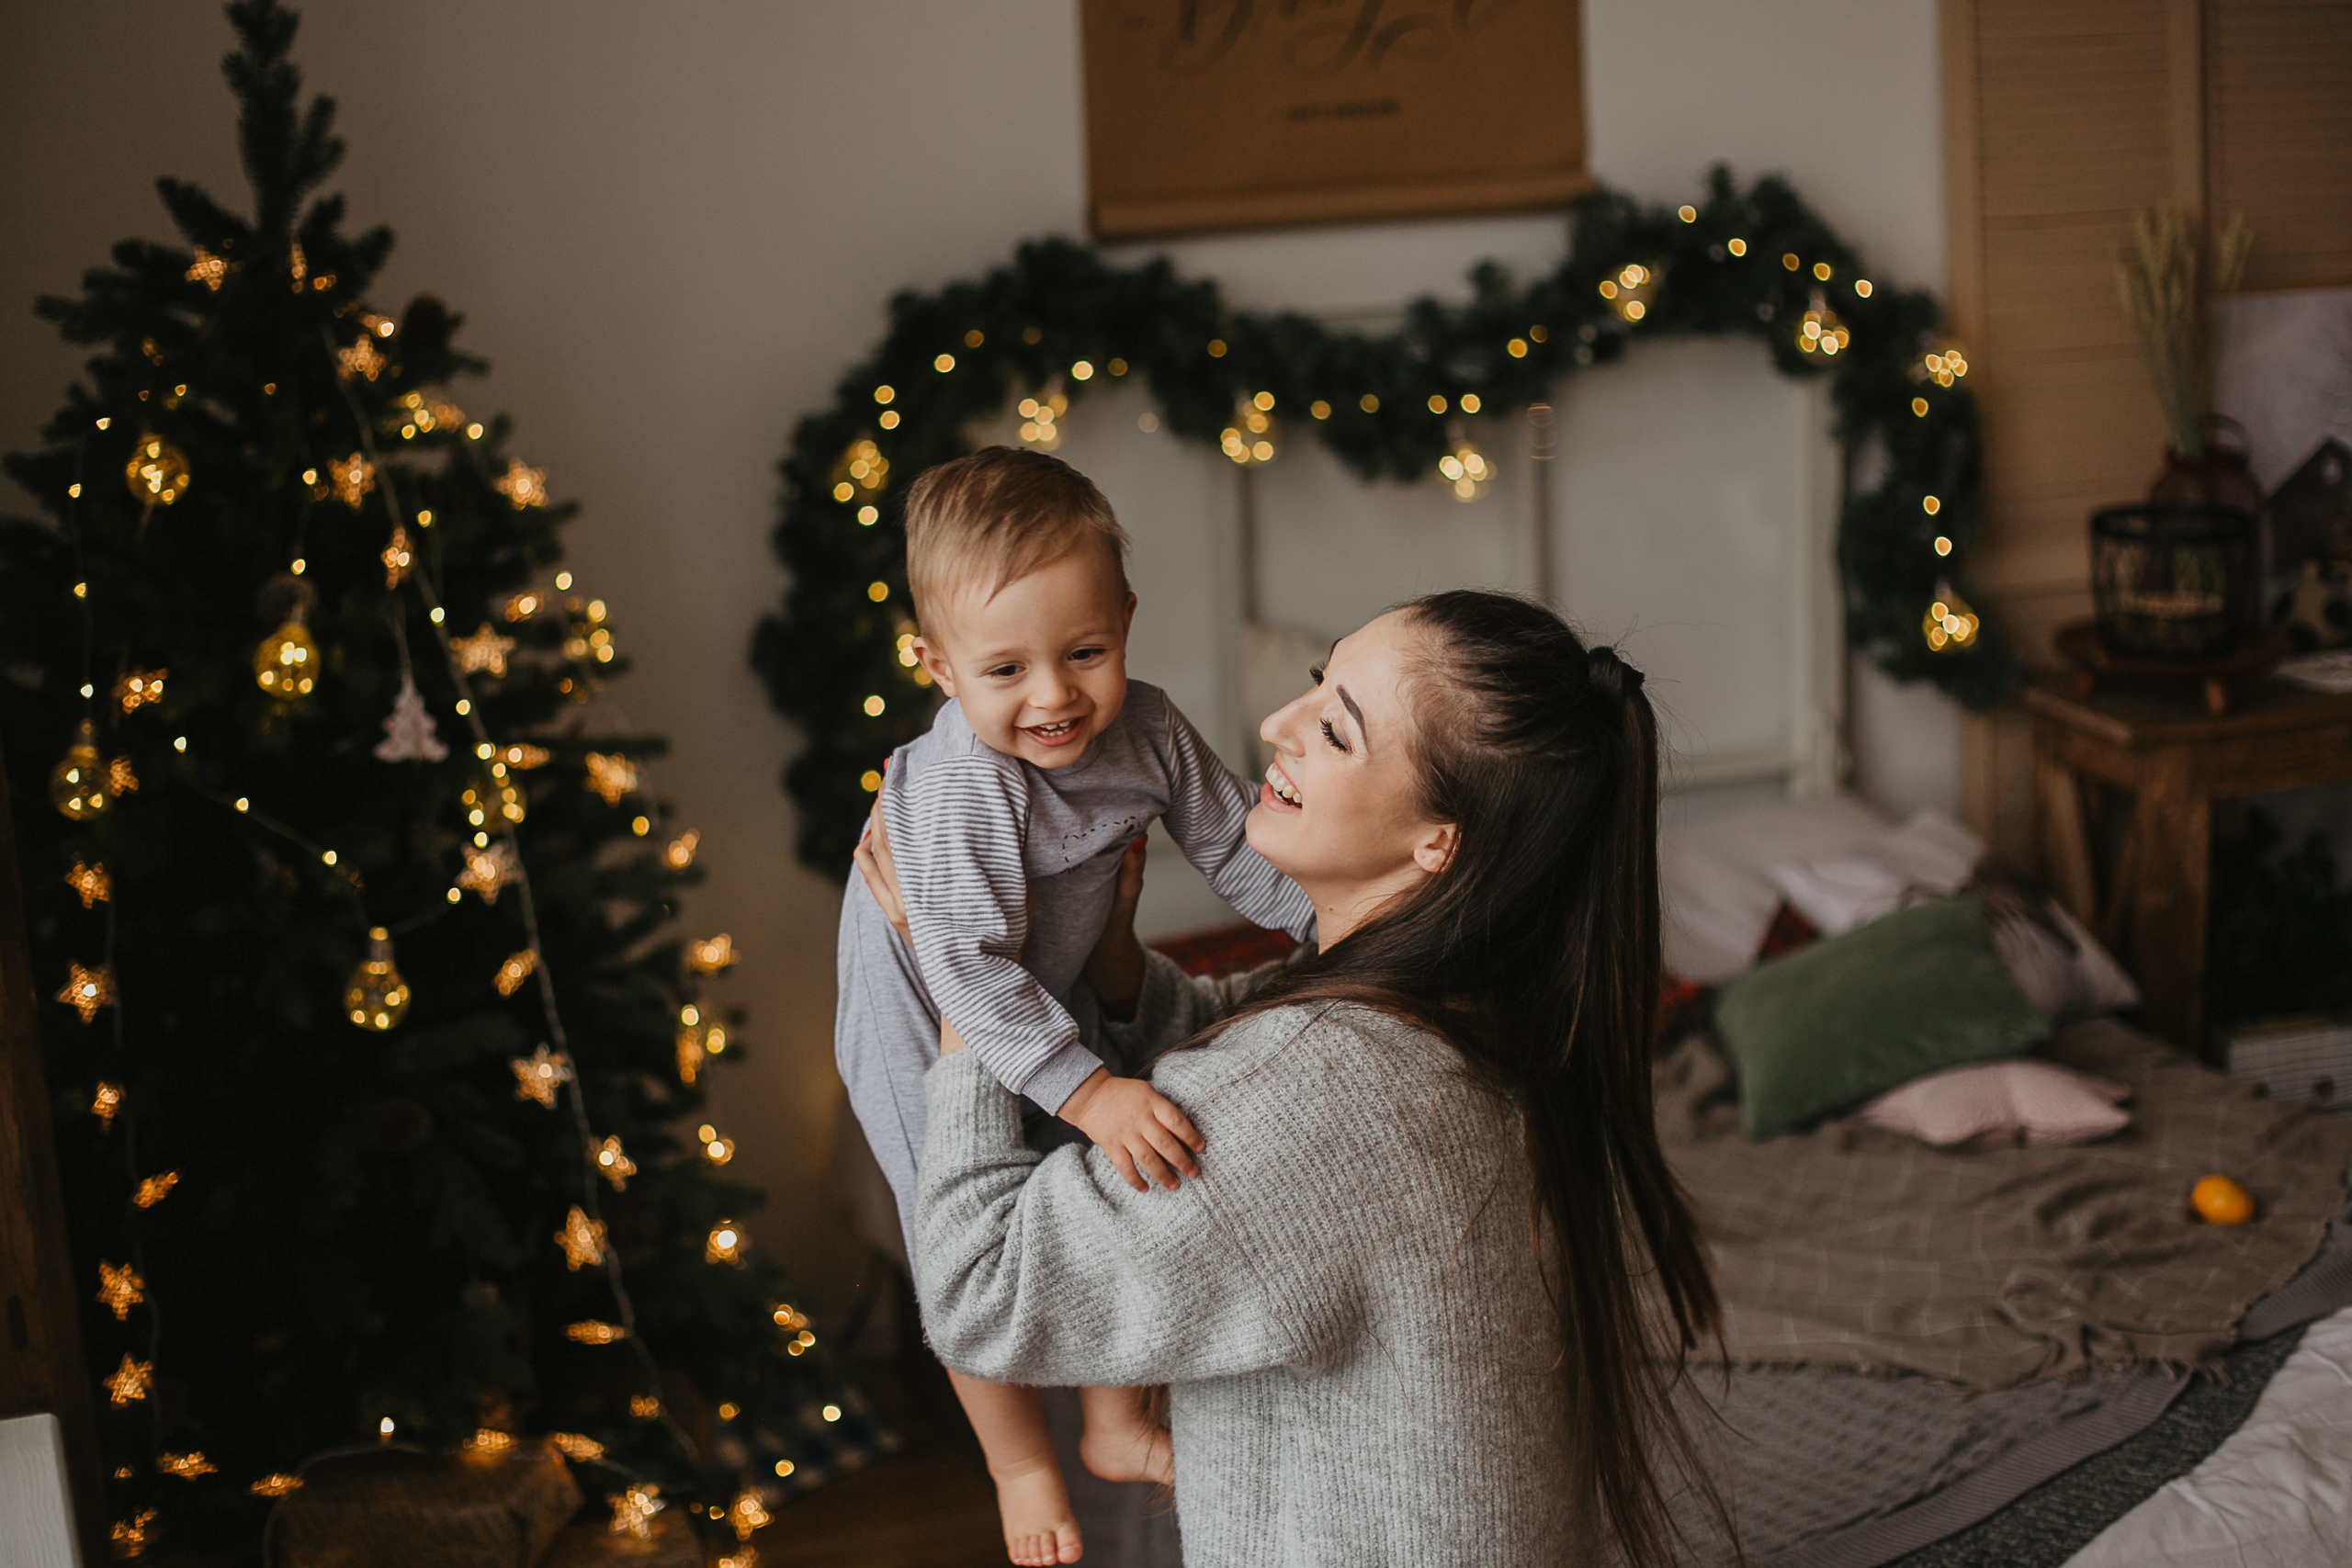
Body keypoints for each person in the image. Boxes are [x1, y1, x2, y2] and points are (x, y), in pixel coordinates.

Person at [864, 590, 1727, 1567]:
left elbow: (982, 1292)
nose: (1275, 726)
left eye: (1335, 729)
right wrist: (1108, 964)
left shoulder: (1330, 1094)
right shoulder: (1475, 1003)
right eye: (1316, 687)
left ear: (1437, 841)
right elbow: (1234, 1047)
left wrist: (970, 977)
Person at [834, 446, 1316, 1566]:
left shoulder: (1145, 730)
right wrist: (1089, 1088)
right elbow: (967, 973)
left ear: (1126, 622)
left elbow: (1241, 849)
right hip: (929, 1018)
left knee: (1112, 1181)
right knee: (957, 1240)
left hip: (1039, 986)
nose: (1054, 697)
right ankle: (1021, 1463)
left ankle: (1112, 1418)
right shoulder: (963, 785)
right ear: (937, 667)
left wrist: (1340, 926)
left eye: (1084, 652)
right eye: (1005, 670)